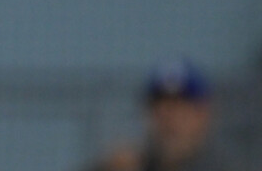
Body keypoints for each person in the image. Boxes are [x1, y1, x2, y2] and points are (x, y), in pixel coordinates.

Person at [84, 57, 242, 171]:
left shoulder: (225, 166)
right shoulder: (132, 164)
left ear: (202, 114)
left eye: (178, 107)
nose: (168, 119)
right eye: (159, 108)